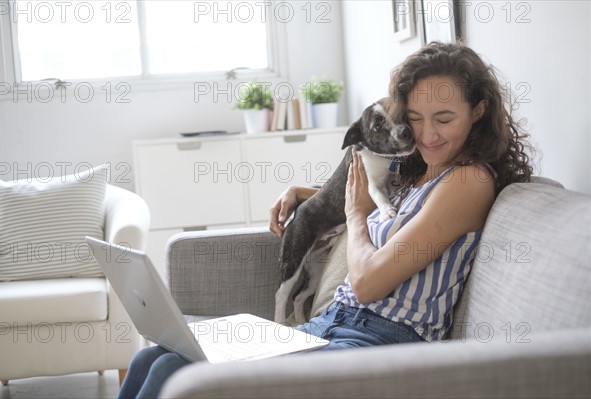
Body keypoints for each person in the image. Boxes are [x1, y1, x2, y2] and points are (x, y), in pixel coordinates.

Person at [117, 42, 534, 398]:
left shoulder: (470, 181)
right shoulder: (420, 169)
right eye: (414, 119)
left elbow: (369, 282)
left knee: (174, 374)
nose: (427, 135)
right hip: (332, 326)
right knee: (153, 357)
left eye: (444, 119)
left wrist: (356, 217)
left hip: (381, 343)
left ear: (478, 110)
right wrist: (308, 194)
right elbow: (388, 211)